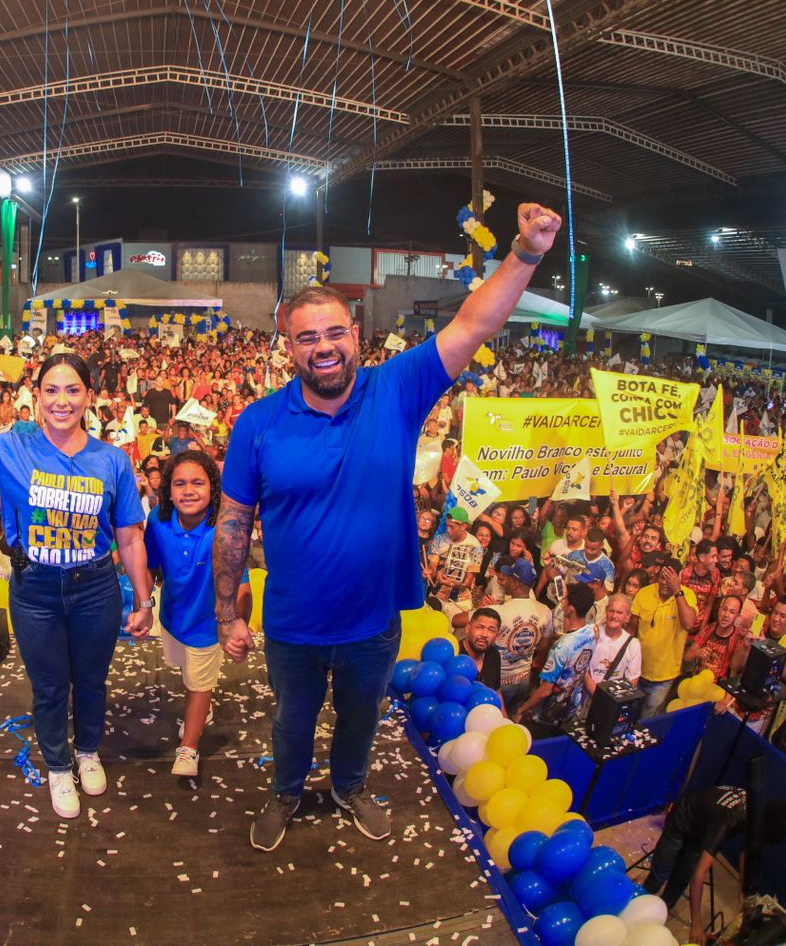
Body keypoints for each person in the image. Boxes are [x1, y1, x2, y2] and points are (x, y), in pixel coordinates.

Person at [213, 202, 561, 851]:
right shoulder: (257, 423)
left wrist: (527, 252)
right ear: (287, 345)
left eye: (334, 333)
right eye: (306, 337)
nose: (323, 348)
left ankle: (348, 787)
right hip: (292, 623)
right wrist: (230, 613)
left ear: (356, 332)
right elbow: (234, 522)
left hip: (374, 621)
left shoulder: (396, 389)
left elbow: (473, 323)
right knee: (291, 722)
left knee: (359, 720)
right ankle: (286, 792)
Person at [0, 342, 153, 820]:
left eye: (72, 390)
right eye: (51, 390)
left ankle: (87, 751)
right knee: (48, 687)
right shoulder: (11, 446)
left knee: (90, 682)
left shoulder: (112, 461)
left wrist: (143, 600)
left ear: (90, 397)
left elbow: (128, 537)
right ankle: (59, 765)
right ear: (37, 395)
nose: (61, 400)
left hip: (95, 589)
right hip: (36, 592)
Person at [146, 450, 246, 779]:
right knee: (186, 672)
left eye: (197, 483)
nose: (188, 490)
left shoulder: (226, 526)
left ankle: (188, 748)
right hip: (173, 618)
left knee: (199, 684)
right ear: (168, 490)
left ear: (213, 488)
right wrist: (142, 604)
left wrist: (237, 622)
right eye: (180, 483)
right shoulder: (158, 522)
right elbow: (149, 567)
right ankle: (201, 706)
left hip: (208, 623)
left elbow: (242, 585)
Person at [641, 785, 786, 945]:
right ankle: (637, 909)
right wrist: (697, 925)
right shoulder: (731, 818)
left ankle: (655, 920)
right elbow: (698, 876)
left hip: (702, 831)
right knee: (660, 875)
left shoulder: (756, 812)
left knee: (680, 880)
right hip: (682, 819)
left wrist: (742, 890)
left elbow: (745, 850)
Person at [513, 582, 597, 736]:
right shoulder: (593, 631)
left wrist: (522, 710)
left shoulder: (560, 648)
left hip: (547, 716)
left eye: (565, 601)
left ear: (571, 609)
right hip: (571, 711)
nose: (562, 603)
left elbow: (545, 691)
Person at [630, 554, 699, 717]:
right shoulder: (644, 593)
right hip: (636, 671)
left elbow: (689, 623)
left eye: (669, 579)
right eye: (661, 577)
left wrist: (677, 591)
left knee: (646, 718)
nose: (663, 583)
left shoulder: (687, 595)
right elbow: (631, 631)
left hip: (664, 678)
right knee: (627, 714)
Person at [492, 556, 553, 710]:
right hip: (524, 680)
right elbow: (544, 646)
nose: (504, 581)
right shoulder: (545, 611)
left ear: (515, 583)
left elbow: (457, 621)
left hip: (499, 682)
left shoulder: (499, 612)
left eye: (508, 577)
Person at [585, 593, 642, 695]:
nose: (614, 616)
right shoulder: (592, 633)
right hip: (583, 697)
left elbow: (632, 680)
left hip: (612, 700)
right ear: (606, 611)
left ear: (628, 617)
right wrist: (596, 693)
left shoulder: (633, 645)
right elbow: (582, 668)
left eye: (620, 612)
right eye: (611, 611)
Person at [458, 606, 504, 694]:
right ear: (467, 629)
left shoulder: (494, 655)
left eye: (491, 630)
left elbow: (497, 692)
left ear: (497, 635)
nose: (484, 634)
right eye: (480, 627)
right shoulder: (455, 655)